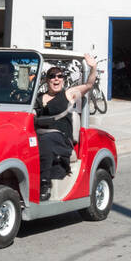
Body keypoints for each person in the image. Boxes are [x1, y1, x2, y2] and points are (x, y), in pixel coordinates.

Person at [34, 53, 99, 201]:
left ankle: (44, 184)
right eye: (52, 76)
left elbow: (89, 85)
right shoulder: (37, 97)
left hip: (60, 138)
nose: (56, 79)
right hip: (39, 135)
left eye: (60, 76)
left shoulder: (68, 94)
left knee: (47, 140)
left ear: (63, 79)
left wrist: (93, 67)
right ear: (46, 80)